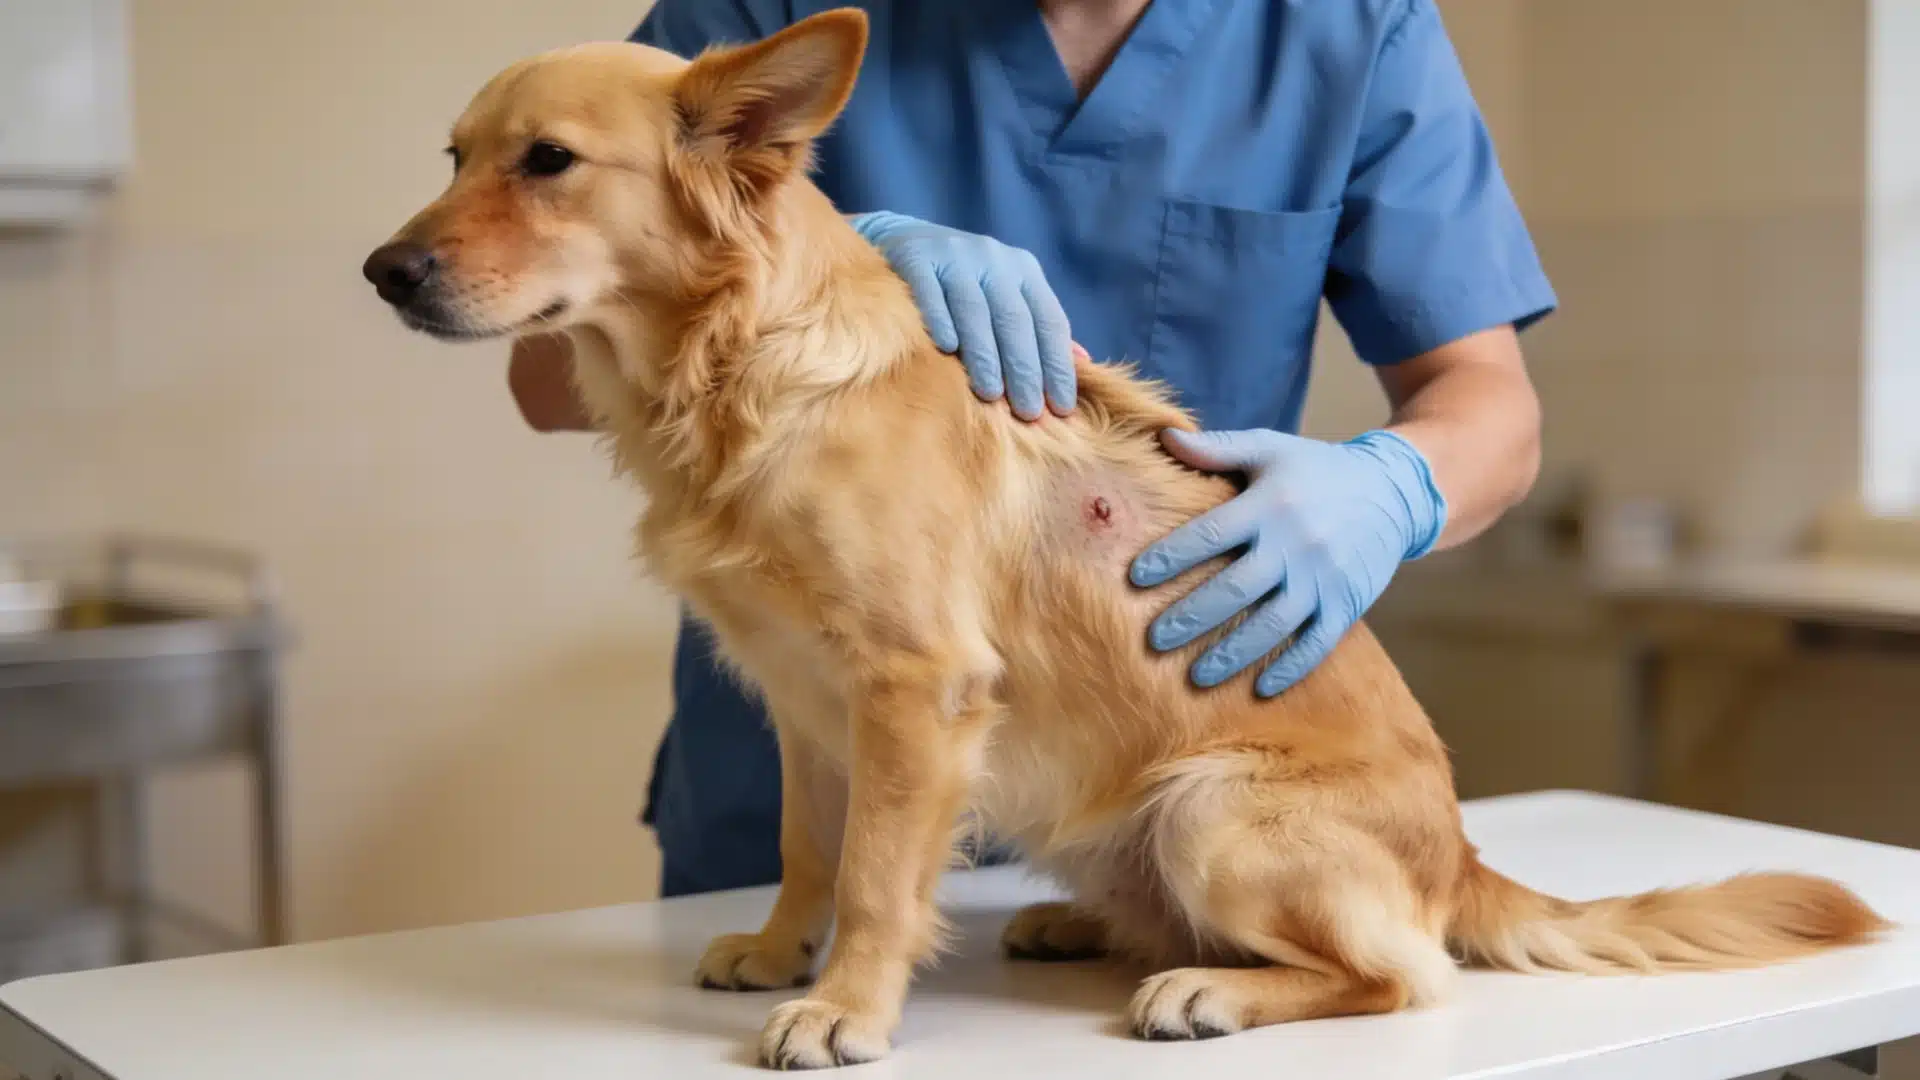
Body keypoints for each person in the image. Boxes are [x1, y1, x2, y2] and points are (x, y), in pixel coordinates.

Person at [508, 0, 1554, 898]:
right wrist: (800, 258)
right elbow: (543, 382)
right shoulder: (767, 8)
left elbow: (1490, 408)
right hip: (813, 789)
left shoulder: (1345, 29)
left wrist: (1396, 487)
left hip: (1161, 778)